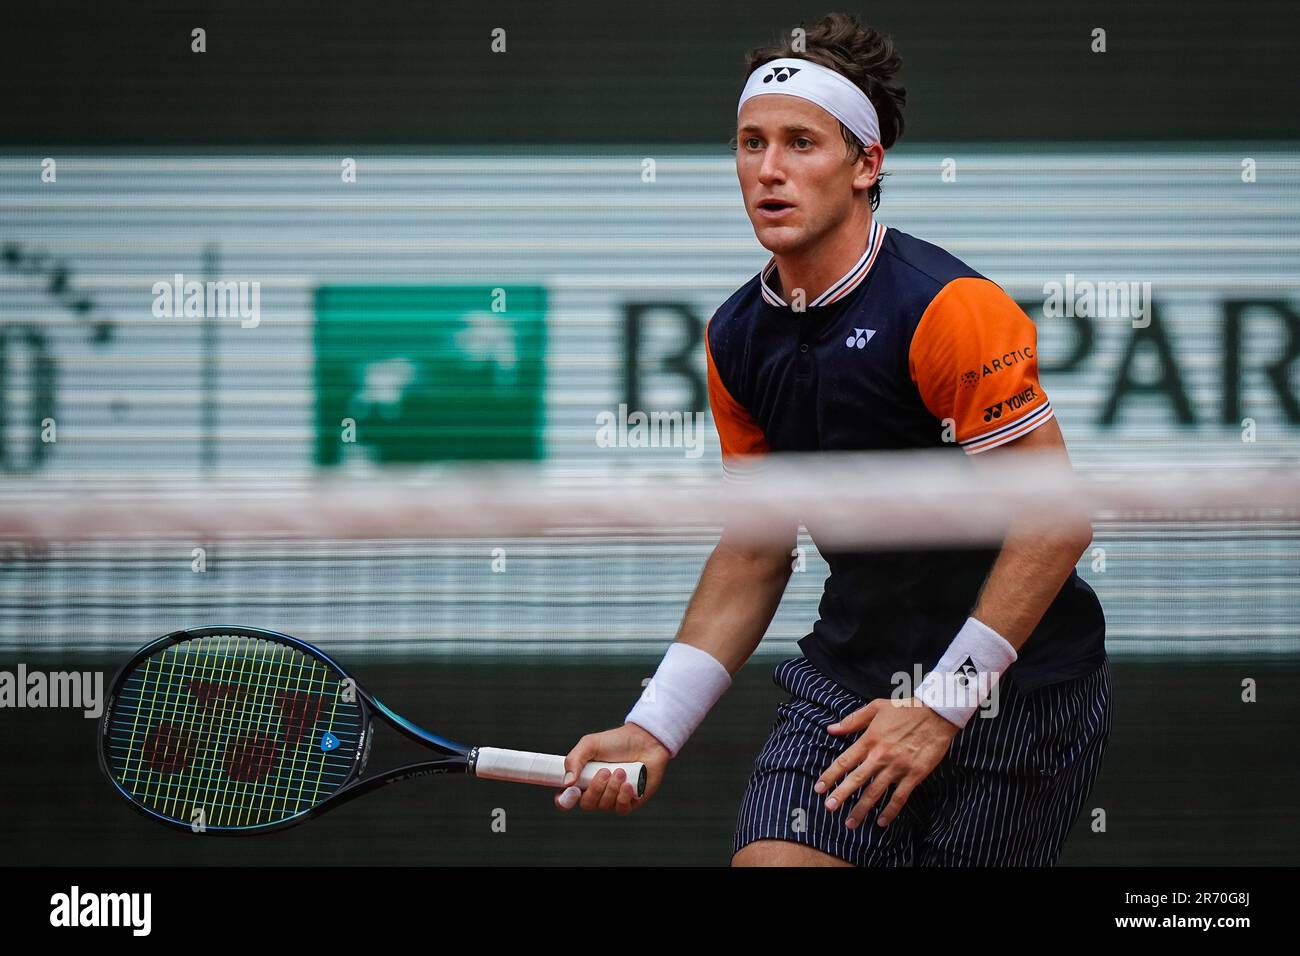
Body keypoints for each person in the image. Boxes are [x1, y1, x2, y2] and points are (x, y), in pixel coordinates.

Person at [554, 12, 1110, 867]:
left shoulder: (948, 310)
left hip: (1015, 695)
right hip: (849, 679)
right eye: (750, 143)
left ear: (866, 164)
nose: (768, 171)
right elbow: (755, 550)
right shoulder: (736, 337)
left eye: (801, 144)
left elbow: (1056, 519)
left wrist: (940, 705)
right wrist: (653, 724)